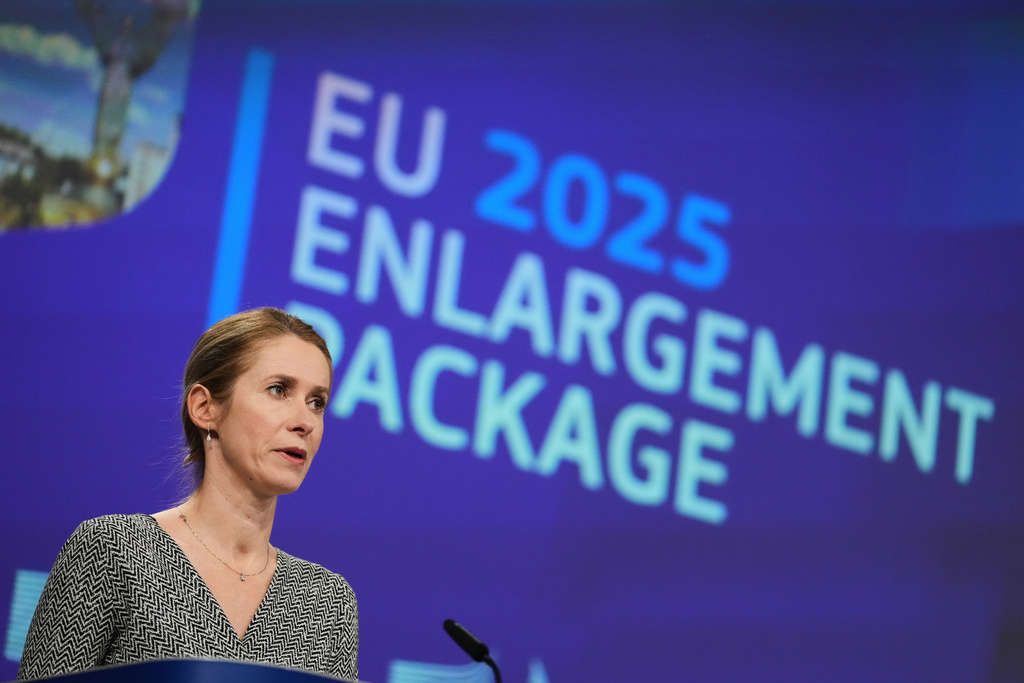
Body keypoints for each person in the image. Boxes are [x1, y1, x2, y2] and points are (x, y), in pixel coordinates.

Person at [17, 307, 358, 681]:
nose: (305, 421)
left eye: (317, 402)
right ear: (204, 407)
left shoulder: (328, 601)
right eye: (279, 390)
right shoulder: (114, 550)